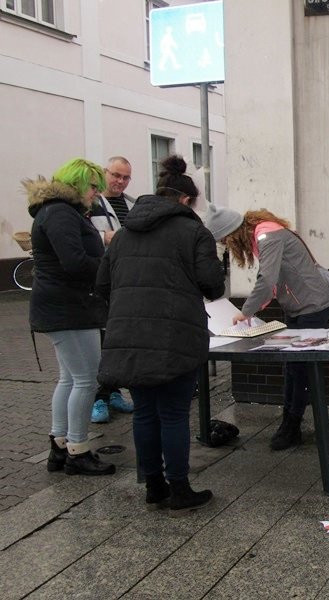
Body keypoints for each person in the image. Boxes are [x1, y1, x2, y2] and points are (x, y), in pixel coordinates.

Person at [96, 155, 225, 514]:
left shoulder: (122, 235)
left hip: (129, 337)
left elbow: (102, 284)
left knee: (144, 413)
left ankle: (154, 487)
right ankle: (180, 489)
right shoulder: (194, 232)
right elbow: (213, 287)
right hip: (175, 338)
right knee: (172, 414)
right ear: (185, 201)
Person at [206, 204, 329, 451]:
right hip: (301, 306)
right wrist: (257, 307)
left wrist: (247, 310)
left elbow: (267, 278)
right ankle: (290, 422)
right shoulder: (263, 234)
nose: (228, 247)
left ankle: (291, 425)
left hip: (312, 308)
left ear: (233, 234)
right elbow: (273, 280)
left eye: (225, 241)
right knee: (292, 367)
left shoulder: (267, 235)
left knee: (299, 369)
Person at [23, 158, 116, 476]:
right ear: (77, 183)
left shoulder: (55, 210)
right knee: (86, 380)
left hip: (64, 305)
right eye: (93, 186)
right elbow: (74, 262)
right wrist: (109, 268)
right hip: (70, 307)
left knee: (69, 378)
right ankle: (78, 450)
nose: (96, 193)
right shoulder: (61, 212)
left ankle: (60, 446)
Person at [88, 156, 136, 423]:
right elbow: (84, 235)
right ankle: (99, 398)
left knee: (115, 343)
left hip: (121, 281)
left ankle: (113, 392)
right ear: (104, 173)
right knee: (102, 344)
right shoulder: (92, 203)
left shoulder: (129, 203)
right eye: (116, 175)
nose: (120, 181)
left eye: (125, 177)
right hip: (100, 282)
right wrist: (102, 237)